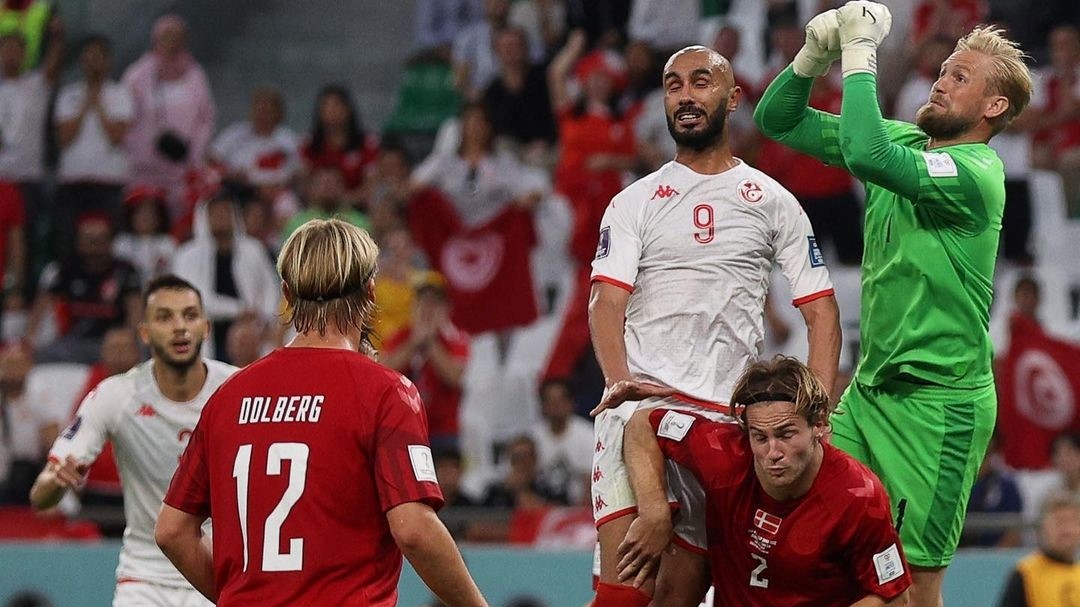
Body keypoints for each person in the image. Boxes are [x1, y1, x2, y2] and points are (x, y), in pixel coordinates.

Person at [753, 3, 1033, 605]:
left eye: (961, 77)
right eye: (943, 70)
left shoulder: (977, 173)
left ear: (994, 108)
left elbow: (865, 155)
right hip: (871, 393)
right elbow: (776, 119)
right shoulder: (903, 141)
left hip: (939, 408)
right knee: (816, 534)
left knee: (913, 588)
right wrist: (814, 54)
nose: (940, 79)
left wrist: (860, 53)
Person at [587, 44, 841, 607]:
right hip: (641, 407)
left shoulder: (774, 201)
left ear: (732, 99)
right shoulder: (635, 201)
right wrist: (618, 380)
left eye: (700, 83)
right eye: (673, 85)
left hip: (722, 426)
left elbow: (821, 310)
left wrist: (815, 409)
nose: (685, 95)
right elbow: (605, 302)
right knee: (624, 596)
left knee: (678, 600)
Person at [156, 219, 488, 606]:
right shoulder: (386, 392)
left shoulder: (228, 396)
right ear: (370, 290)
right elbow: (414, 530)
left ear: (286, 293)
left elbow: (172, 530)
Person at [619, 356, 911, 606]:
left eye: (786, 435)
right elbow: (642, 425)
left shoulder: (860, 497)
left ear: (819, 424)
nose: (772, 453)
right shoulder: (722, 452)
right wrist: (654, 512)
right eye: (760, 437)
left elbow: (895, 597)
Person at [28, 274, 236, 607]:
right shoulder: (117, 395)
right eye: (165, 317)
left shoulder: (238, 391)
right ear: (145, 333)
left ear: (205, 328)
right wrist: (56, 480)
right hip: (145, 579)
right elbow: (42, 497)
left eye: (190, 315)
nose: (179, 327)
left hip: (217, 576)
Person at [997, 490, 1080, 607]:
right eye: (1060, 521)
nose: (1067, 530)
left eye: (1073, 521)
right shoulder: (1026, 574)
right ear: (1044, 527)